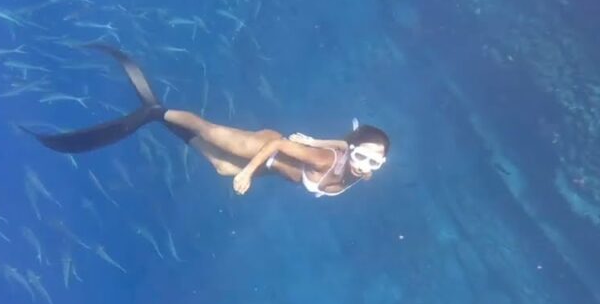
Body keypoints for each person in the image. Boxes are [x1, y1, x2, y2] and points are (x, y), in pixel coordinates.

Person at [26, 44, 390, 197]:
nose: (366, 165)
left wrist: (317, 140)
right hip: (267, 149)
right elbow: (279, 145)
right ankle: (156, 113)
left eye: (375, 161)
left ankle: (158, 117)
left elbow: (347, 143)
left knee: (218, 166)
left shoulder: (358, 165)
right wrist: (249, 171)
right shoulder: (326, 162)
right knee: (208, 131)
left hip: (275, 166)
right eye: (364, 157)